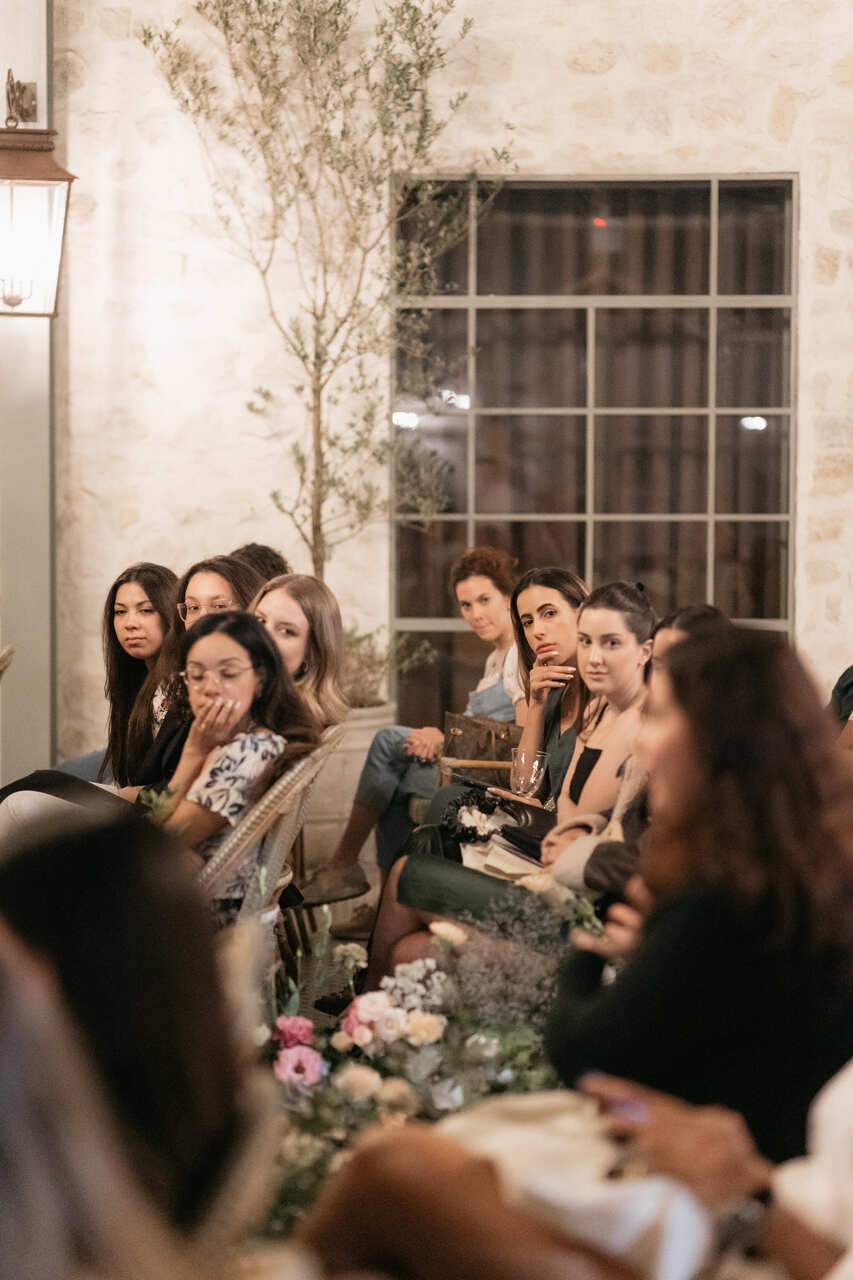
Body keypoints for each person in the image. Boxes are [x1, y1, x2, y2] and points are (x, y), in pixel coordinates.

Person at [545, 627, 853, 1163]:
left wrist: (587, 951)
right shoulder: (809, 866)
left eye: (659, 716)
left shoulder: (724, 893)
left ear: (717, 737)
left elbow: (587, 1057)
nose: (639, 741)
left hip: (734, 1173)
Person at [363, 579, 654, 985]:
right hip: (558, 852)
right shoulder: (572, 699)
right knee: (408, 935)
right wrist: (534, 706)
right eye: (528, 621)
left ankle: (367, 998)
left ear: (645, 652)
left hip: (571, 877)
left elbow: (572, 820)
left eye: (550, 614)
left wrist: (544, 810)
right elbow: (531, 787)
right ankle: (371, 1003)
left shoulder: (628, 717)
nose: (538, 631)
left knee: (415, 858)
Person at [303, 546, 526, 904]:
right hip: (465, 767)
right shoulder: (494, 659)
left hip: (491, 778)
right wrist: (441, 740)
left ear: (509, 597)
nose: (475, 614)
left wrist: (442, 740)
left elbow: (520, 740)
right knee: (393, 780)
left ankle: (348, 870)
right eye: (466, 605)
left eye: (484, 600)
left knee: (388, 741)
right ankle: (385, 900)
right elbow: (473, 727)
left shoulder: (520, 655)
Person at [151, 611, 321, 921]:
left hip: (195, 921)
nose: (210, 687)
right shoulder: (248, 741)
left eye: (228, 673)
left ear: (260, 679)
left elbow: (151, 847)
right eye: (197, 675)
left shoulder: (244, 755)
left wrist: (191, 755)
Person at [55, 562, 179, 784]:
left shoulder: (179, 683)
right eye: (120, 612)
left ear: (171, 612)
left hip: (156, 797)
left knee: (32, 794)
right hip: (129, 786)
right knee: (38, 784)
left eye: (146, 610)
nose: (129, 624)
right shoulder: (134, 678)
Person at [251, 574, 349, 728]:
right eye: (260, 621)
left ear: (312, 655)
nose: (263, 637)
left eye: (286, 631)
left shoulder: (290, 728)